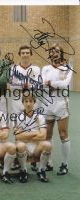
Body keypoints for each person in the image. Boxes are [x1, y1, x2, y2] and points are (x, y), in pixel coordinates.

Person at [41, 43, 73, 175]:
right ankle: (49, 162)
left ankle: (64, 164)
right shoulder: (46, 68)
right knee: (47, 135)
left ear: (61, 53)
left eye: (58, 51)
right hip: (47, 105)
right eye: (53, 51)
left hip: (61, 104)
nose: (55, 53)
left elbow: (65, 83)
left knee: (63, 134)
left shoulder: (67, 68)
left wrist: (50, 84)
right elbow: (41, 84)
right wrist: (52, 85)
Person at [15, 94, 52, 182]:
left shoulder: (40, 117)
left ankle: (41, 170)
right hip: (25, 146)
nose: (28, 104)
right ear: (23, 103)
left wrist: (26, 135)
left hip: (36, 147)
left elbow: (43, 136)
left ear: (34, 103)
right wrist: (36, 133)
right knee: (20, 145)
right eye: (26, 101)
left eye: (31, 101)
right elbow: (18, 136)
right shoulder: (19, 117)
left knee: (47, 145)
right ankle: (23, 170)